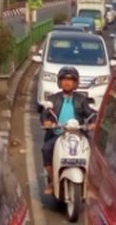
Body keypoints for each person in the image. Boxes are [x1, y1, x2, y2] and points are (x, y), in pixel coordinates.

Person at [40, 66, 95, 197]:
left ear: (76, 83)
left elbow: (91, 114)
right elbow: (44, 115)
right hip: (58, 135)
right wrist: (47, 122)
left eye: (71, 80)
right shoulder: (53, 99)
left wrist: (93, 123)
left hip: (78, 135)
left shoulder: (81, 100)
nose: (67, 82)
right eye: (64, 79)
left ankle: (90, 181)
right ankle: (53, 180)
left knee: (93, 150)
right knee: (47, 149)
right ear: (59, 82)